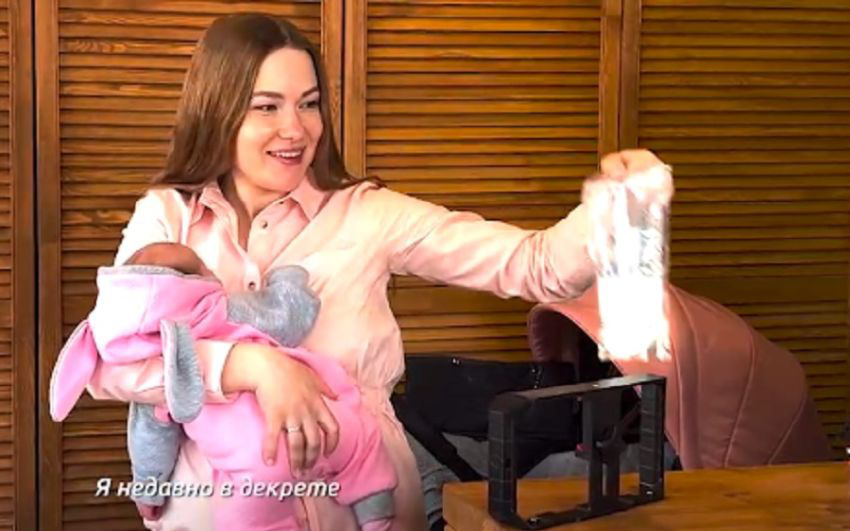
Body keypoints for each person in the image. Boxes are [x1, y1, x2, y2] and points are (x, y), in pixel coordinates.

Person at [85, 12, 673, 531]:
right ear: (218, 108)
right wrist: (252, 367)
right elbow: (109, 363)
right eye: (267, 106)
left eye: (309, 103)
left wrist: (616, 202)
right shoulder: (165, 216)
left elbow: (535, 265)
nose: (296, 129)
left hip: (369, 507)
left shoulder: (370, 214)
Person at [51, 242, 397, 530]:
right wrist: (288, 276)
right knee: (362, 443)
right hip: (324, 417)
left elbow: (151, 441)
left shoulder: (148, 357)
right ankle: (377, 514)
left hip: (255, 465)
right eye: (202, 266)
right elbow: (288, 314)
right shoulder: (220, 310)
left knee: (250, 519)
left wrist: (149, 491)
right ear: (197, 281)